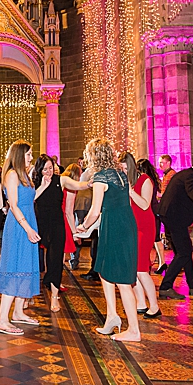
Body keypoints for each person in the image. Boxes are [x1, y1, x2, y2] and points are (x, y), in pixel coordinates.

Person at [76, 139, 141, 342]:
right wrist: (92, 227)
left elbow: (95, 210)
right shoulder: (120, 174)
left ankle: (134, 330)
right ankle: (112, 316)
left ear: (93, 156)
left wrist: (84, 226)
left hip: (116, 228)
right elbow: (111, 207)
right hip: (123, 224)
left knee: (122, 281)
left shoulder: (101, 177)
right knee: (104, 271)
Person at [0, 140, 41, 335]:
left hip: (27, 222)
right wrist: (28, 228)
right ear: (19, 155)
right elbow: (13, 205)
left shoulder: (24, 176)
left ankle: (18, 312)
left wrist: (44, 186)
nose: (31, 157)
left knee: (25, 266)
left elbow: (29, 199)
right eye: (28, 154)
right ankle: (1, 319)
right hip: (19, 226)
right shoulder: (12, 175)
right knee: (14, 267)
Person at [33, 155, 91, 313]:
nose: (49, 172)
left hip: (57, 225)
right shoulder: (35, 181)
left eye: (51, 168)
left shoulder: (61, 180)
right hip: (39, 225)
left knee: (56, 260)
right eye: (45, 169)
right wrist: (42, 186)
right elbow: (30, 199)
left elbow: (77, 185)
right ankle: (26, 295)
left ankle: (54, 296)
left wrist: (89, 183)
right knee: (33, 260)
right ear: (39, 170)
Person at [155, 155, 193, 299]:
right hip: (174, 218)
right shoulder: (191, 176)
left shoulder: (185, 174)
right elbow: (192, 193)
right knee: (183, 252)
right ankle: (165, 287)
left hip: (171, 216)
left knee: (185, 250)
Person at [127, 155, 161, 318]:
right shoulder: (129, 182)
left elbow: (145, 204)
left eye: (126, 168)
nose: (123, 171)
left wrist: (130, 192)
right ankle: (141, 303)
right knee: (134, 270)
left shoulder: (145, 179)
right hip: (132, 227)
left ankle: (154, 306)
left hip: (145, 228)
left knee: (141, 270)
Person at [61, 163, 82, 269]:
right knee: (61, 252)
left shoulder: (61, 181)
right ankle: (57, 282)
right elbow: (68, 211)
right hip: (63, 219)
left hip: (55, 216)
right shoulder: (71, 187)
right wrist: (74, 232)